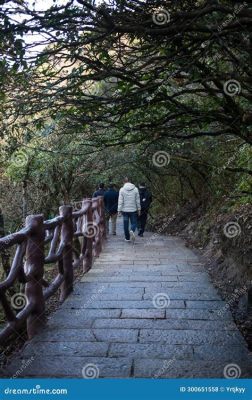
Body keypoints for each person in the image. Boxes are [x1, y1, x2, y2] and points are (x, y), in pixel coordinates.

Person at [118, 177, 141, 242]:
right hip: (133, 210)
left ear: (123, 182)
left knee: (125, 224)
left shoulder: (121, 189)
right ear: (130, 181)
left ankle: (127, 238)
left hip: (125, 211)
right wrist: (139, 209)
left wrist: (119, 210)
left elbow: (120, 201)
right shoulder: (136, 189)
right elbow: (137, 200)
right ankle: (132, 230)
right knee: (134, 223)